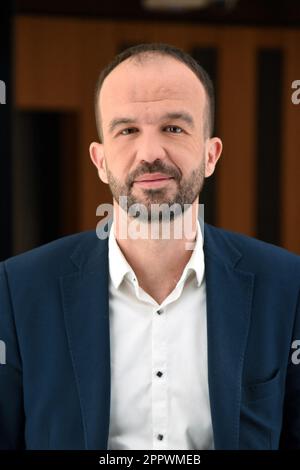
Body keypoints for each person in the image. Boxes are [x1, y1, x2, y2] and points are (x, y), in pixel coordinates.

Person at [0, 43, 299, 450]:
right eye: (127, 131)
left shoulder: (286, 285)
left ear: (211, 155)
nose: (151, 153)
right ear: (100, 160)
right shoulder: (19, 289)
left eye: (174, 128)